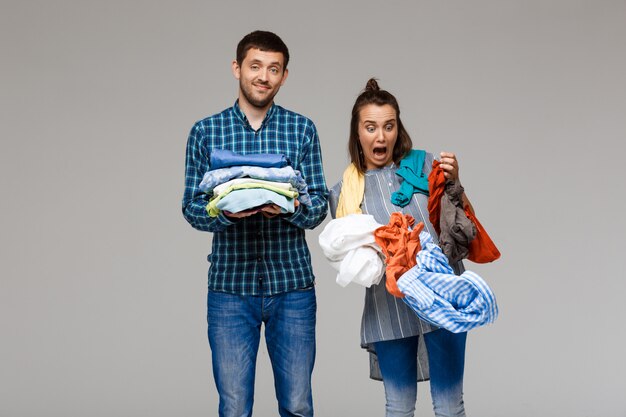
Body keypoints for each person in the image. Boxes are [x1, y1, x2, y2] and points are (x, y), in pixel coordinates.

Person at [182, 30, 328, 417]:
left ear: (284, 76)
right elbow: (191, 206)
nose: (264, 76)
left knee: (297, 406)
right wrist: (224, 211)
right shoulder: (205, 132)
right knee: (233, 408)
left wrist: (288, 208)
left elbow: (317, 208)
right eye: (255, 66)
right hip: (230, 289)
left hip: (292, 287)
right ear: (237, 69)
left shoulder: (302, 130)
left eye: (274, 69)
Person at [329, 78, 472, 417]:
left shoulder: (425, 166)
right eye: (371, 127)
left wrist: (455, 183)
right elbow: (351, 261)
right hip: (388, 307)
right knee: (398, 407)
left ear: (397, 129)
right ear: (357, 133)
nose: (381, 136)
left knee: (450, 406)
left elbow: (462, 226)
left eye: (389, 126)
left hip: (443, 297)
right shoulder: (344, 193)